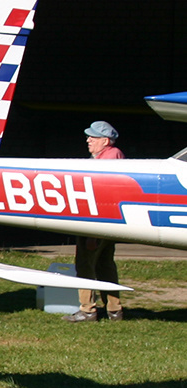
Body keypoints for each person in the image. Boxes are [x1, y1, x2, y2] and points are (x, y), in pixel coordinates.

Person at [65, 120, 125, 322]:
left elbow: (99, 196)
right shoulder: (113, 156)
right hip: (110, 223)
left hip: (95, 222)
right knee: (106, 265)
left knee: (85, 266)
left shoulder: (106, 161)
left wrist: (92, 233)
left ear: (105, 141)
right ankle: (114, 310)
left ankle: (87, 310)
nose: (88, 140)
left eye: (93, 137)